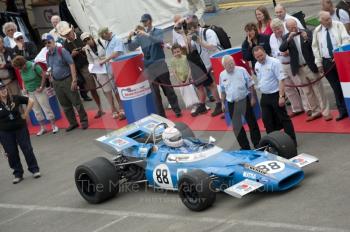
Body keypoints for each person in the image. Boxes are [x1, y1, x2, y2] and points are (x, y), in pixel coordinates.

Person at [127, 13, 182, 118]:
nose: (143, 23)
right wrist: (129, 38)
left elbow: (159, 41)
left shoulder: (158, 31)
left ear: (149, 21)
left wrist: (147, 34)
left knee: (168, 89)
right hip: (149, 67)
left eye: (144, 21)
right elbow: (131, 47)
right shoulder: (140, 36)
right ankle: (162, 115)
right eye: (142, 22)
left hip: (160, 64)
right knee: (155, 93)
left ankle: (177, 110)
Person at [280, 18, 332, 122]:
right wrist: (289, 39)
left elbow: (315, 45)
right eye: (291, 27)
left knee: (318, 89)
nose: (294, 28)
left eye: (294, 25)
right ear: (287, 28)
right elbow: (282, 48)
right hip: (299, 68)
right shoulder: (286, 37)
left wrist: (307, 38)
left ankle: (326, 112)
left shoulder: (306, 32)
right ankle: (315, 111)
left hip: (309, 66)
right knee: (307, 91)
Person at [57, 21, 104, 117]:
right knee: (92, 89)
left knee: (104, 85)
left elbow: (94, 44)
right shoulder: (65, 45)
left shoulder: (82, 35)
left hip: (94, 62)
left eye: (68, 33)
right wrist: (72, 55)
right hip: (83, 68)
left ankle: (113, 107)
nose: (68, 36)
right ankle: (100, 108)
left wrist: (85, 48)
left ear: (72, 29)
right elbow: (67, 61)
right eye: (65, 35)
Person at [44, 33, 89, 131]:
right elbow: (50, 67)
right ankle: (73, 123)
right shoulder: (47, 54)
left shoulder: (62, 50)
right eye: (45, 43)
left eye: (48, 42)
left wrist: (74, 80)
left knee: (76, 101)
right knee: (64, 104)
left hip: (67, 79)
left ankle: (84, 120)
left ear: (53, 41)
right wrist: (50, 75)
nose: (47, 44)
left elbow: (71, 64)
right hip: (56, 81)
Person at [253, 46, 297, 144]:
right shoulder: (257, 65)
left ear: (265, 52)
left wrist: (281, 96)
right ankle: (274, 143)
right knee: (267, 121)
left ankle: (292, 141)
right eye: (257, 57)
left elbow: (281, 80)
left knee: (284, 119)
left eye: (261, 55)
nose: (260, 58)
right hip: (264, 96)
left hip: (275, 94)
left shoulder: (275, 62)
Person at [0, 82, 41, 184]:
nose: (3, 90)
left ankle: (34, 169)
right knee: (11, 153)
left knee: (27, 148)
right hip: (5, 132)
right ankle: (18, 174)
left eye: (3, 87)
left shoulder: (14, 98)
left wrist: (25, 114)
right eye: (0, 89)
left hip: (20, 128)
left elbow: (30, 101)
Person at [313, 11, 350, 121]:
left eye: (329, 18)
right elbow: (315, 48)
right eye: (326, 19)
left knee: (347, 87)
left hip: (340, 59)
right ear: (321, 21)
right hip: (326, 62)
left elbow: (346, 39)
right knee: (336, 88)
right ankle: (342, 111)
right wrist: (319, 63)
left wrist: (338, 53)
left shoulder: (338, 25)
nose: (329, 20)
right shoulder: (317, 30)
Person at [269, 18, 309, 118]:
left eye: (278, 28)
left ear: (282, 27)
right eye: (274, 29)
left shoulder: (288, 34)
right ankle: (297, 108)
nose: (276, 31)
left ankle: (308, 108)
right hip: (281, 65)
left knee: (301, 86)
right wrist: (281, 53)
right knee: (288, 88)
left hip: (292, 63)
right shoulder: (272, 38)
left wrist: (287, 52)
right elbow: (273, 52)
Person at [220, 55, 261, 150]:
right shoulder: (222, 75)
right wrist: (222, 103)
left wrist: (253, 98)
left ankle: (257, 143)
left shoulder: (241, 70)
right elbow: (222, 91)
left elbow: (250, 85)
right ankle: (244, 147)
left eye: (232, 62)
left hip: (244, 100)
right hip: (231, 103)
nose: (231, 65)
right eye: (228, 64)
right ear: (224, 66)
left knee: (252, 123)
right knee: (237, 127)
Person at [12, 55, 59, 135]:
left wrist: (41, 87)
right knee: (36, 110)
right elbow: (24, 80)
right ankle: (43, 128)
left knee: (46, 107)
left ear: (23, 64)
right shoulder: (21, 70)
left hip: (39, 90)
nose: (19, 69)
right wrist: (24, 88)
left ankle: (54, 125)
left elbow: (43, 76)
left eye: (19, 67)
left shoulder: (34, 66)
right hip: (30, 92)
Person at [81, 32, 122, 119]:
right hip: (99, 71)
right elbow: (90, 62)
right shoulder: (87, 49)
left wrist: (105, 59)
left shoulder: (100, 41)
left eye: (88, 38)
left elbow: (109, 52)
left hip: (109, 66)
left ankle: (121, 108)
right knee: (107, 91)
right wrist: (93, 69)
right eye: (85, 41)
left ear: (91, 37)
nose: (87, 41)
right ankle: (113, 109)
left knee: (115, 88)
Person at [98, 27, 127, 120]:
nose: (103, 39)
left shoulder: (117, 39)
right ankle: (122, 109)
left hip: (119, 68)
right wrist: (104, 59)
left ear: (106, 33)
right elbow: (109, 53)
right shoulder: (107, 41)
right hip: (111, 69)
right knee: (116, 90)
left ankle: (125, 110)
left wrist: (105, 60)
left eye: (103, 37)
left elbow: (116, 53)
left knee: (122, 89)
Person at [170, 43, 198, 112]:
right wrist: (178, 80)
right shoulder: (172, 61)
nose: (177, 53)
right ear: (172, 53)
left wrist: (188, 78)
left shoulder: (185, 57)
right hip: (181, 79)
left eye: (178, 51)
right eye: (175, 52)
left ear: (181, 51)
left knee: (193, 90)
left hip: (189, 78)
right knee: (185, 93)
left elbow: (189, 68)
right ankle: (191, 106)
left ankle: (197, 103)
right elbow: (174, 71)